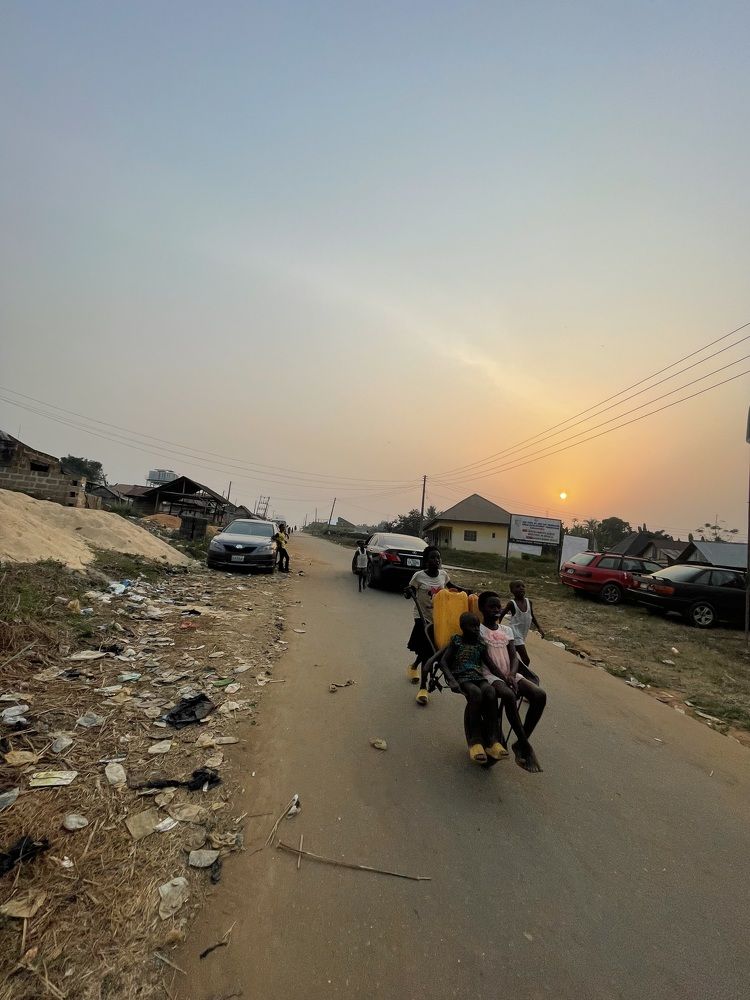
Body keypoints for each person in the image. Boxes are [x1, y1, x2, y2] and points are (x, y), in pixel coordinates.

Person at [477, 591, 545, 773]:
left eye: (498, 607)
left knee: (539, 695)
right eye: (492, 607)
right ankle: (525, 744)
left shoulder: (506, 630)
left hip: (510, 674)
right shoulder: (479, 631)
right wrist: (503, 676)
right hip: (490, 675)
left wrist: (512, 675)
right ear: (481, 608)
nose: (497, 610)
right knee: (508, 695)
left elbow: (514, 657)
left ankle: (520, 742)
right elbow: (486, 660)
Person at [439, 612, 504, 764]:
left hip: (478, 676)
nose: (476, 629)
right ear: (463, 627)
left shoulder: (480, 644)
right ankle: (475, 741)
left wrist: (505, 678)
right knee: (476, 694)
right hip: (462, 677)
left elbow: (490, 665)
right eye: (472, 626)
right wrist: (451, 680)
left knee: (490, 691)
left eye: (477, 626)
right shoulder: (457, 641)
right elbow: (443, 662)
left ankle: (494, 740)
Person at [403, 548, 465, 693]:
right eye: (432, 558)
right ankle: (423, 687)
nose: (436, 560)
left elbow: (452, 587)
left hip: (439, 617)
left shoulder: (443, 575)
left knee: (430, 649)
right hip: (422, 616)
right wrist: (407, 592)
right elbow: (409, 592)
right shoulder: (418, 576)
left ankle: (414, 666)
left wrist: (466, 591)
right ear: (426, 561)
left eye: (438, 557)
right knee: (427, 648)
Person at [498, 580, 545, 683]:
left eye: (523, 586)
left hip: (523, 635)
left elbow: (531, 616)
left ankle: (508, 673)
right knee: (526, 659)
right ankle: (522, 678)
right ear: (512, 590)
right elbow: (502, 614)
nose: (521, 588)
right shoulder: (512, 603)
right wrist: (497, 627)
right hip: (514, 634)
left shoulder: (529, 602)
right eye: (518, 586)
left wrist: (539, 628)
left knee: (511, 656)